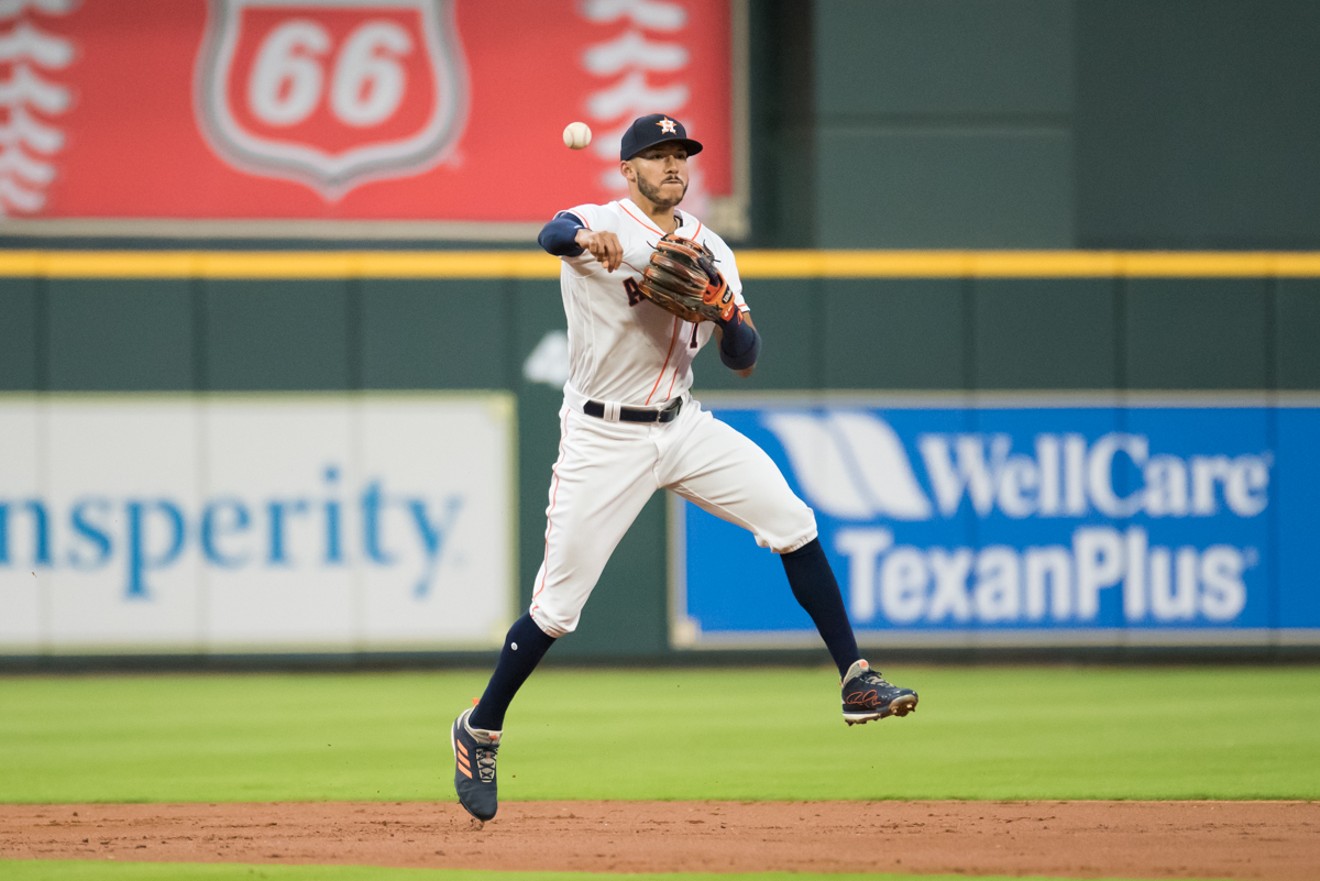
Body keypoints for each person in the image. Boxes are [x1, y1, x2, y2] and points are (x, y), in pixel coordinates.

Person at [450, 113, 917, 822]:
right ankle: (479, 726)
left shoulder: (712, 249)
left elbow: (746, 359)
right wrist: (585, 239)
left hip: (683, 423)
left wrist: (728, 313)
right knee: (557, 609)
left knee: (793, 521)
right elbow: (550, 233)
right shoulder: (598, 221)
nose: (672, 165)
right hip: (601, 437)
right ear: (627, 168)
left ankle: (855, 678)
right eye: (657, 155)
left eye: (681, 155)